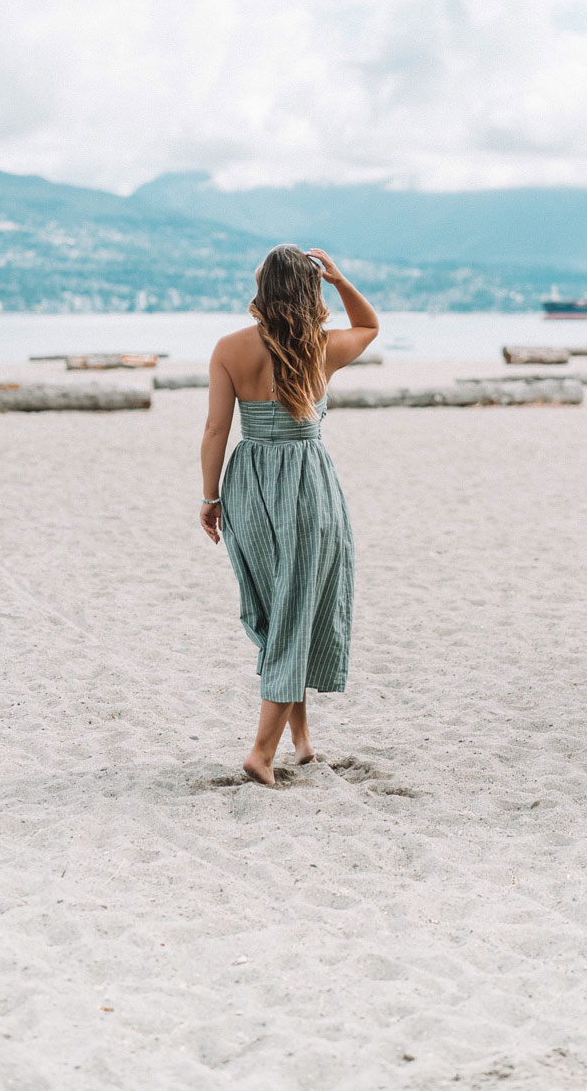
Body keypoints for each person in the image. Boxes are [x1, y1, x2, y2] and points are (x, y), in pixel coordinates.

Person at [199, 245, 379, 786]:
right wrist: (341, 278)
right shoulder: (320, 348)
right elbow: (369, 326)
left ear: (263, 288)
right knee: (295, 610)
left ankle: (301, 742)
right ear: (309, 291)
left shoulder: (230, 348)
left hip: (249, 484)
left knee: (285, 612)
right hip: (305, 485)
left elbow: (214, 431)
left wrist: (210, 498)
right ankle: (261, 752)